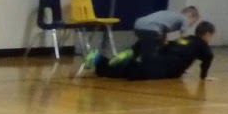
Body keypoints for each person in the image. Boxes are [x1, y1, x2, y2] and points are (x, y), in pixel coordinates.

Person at [86, 21, 215, 81]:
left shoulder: (186, 39)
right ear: (207, 34)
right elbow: (208, 57)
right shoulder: (201, 44)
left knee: (124, 69)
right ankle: (101, 59)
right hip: (165, 70)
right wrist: (204, 76)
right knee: (126, 73)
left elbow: (167, 47)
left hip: (157, 59)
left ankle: (100, 58)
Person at [132, 6, 198, 61]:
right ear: (190, 16)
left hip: (138, 25)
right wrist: (187, 47)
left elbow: (163, 31)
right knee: (150, 56)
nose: (192, 25)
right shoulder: (184, 18)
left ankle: (123, 58)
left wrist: (164, 42)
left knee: (139, 48)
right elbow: (183, 37)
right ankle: (147, 72)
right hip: (150, 29)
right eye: (193, 22)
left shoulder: (172, 16)